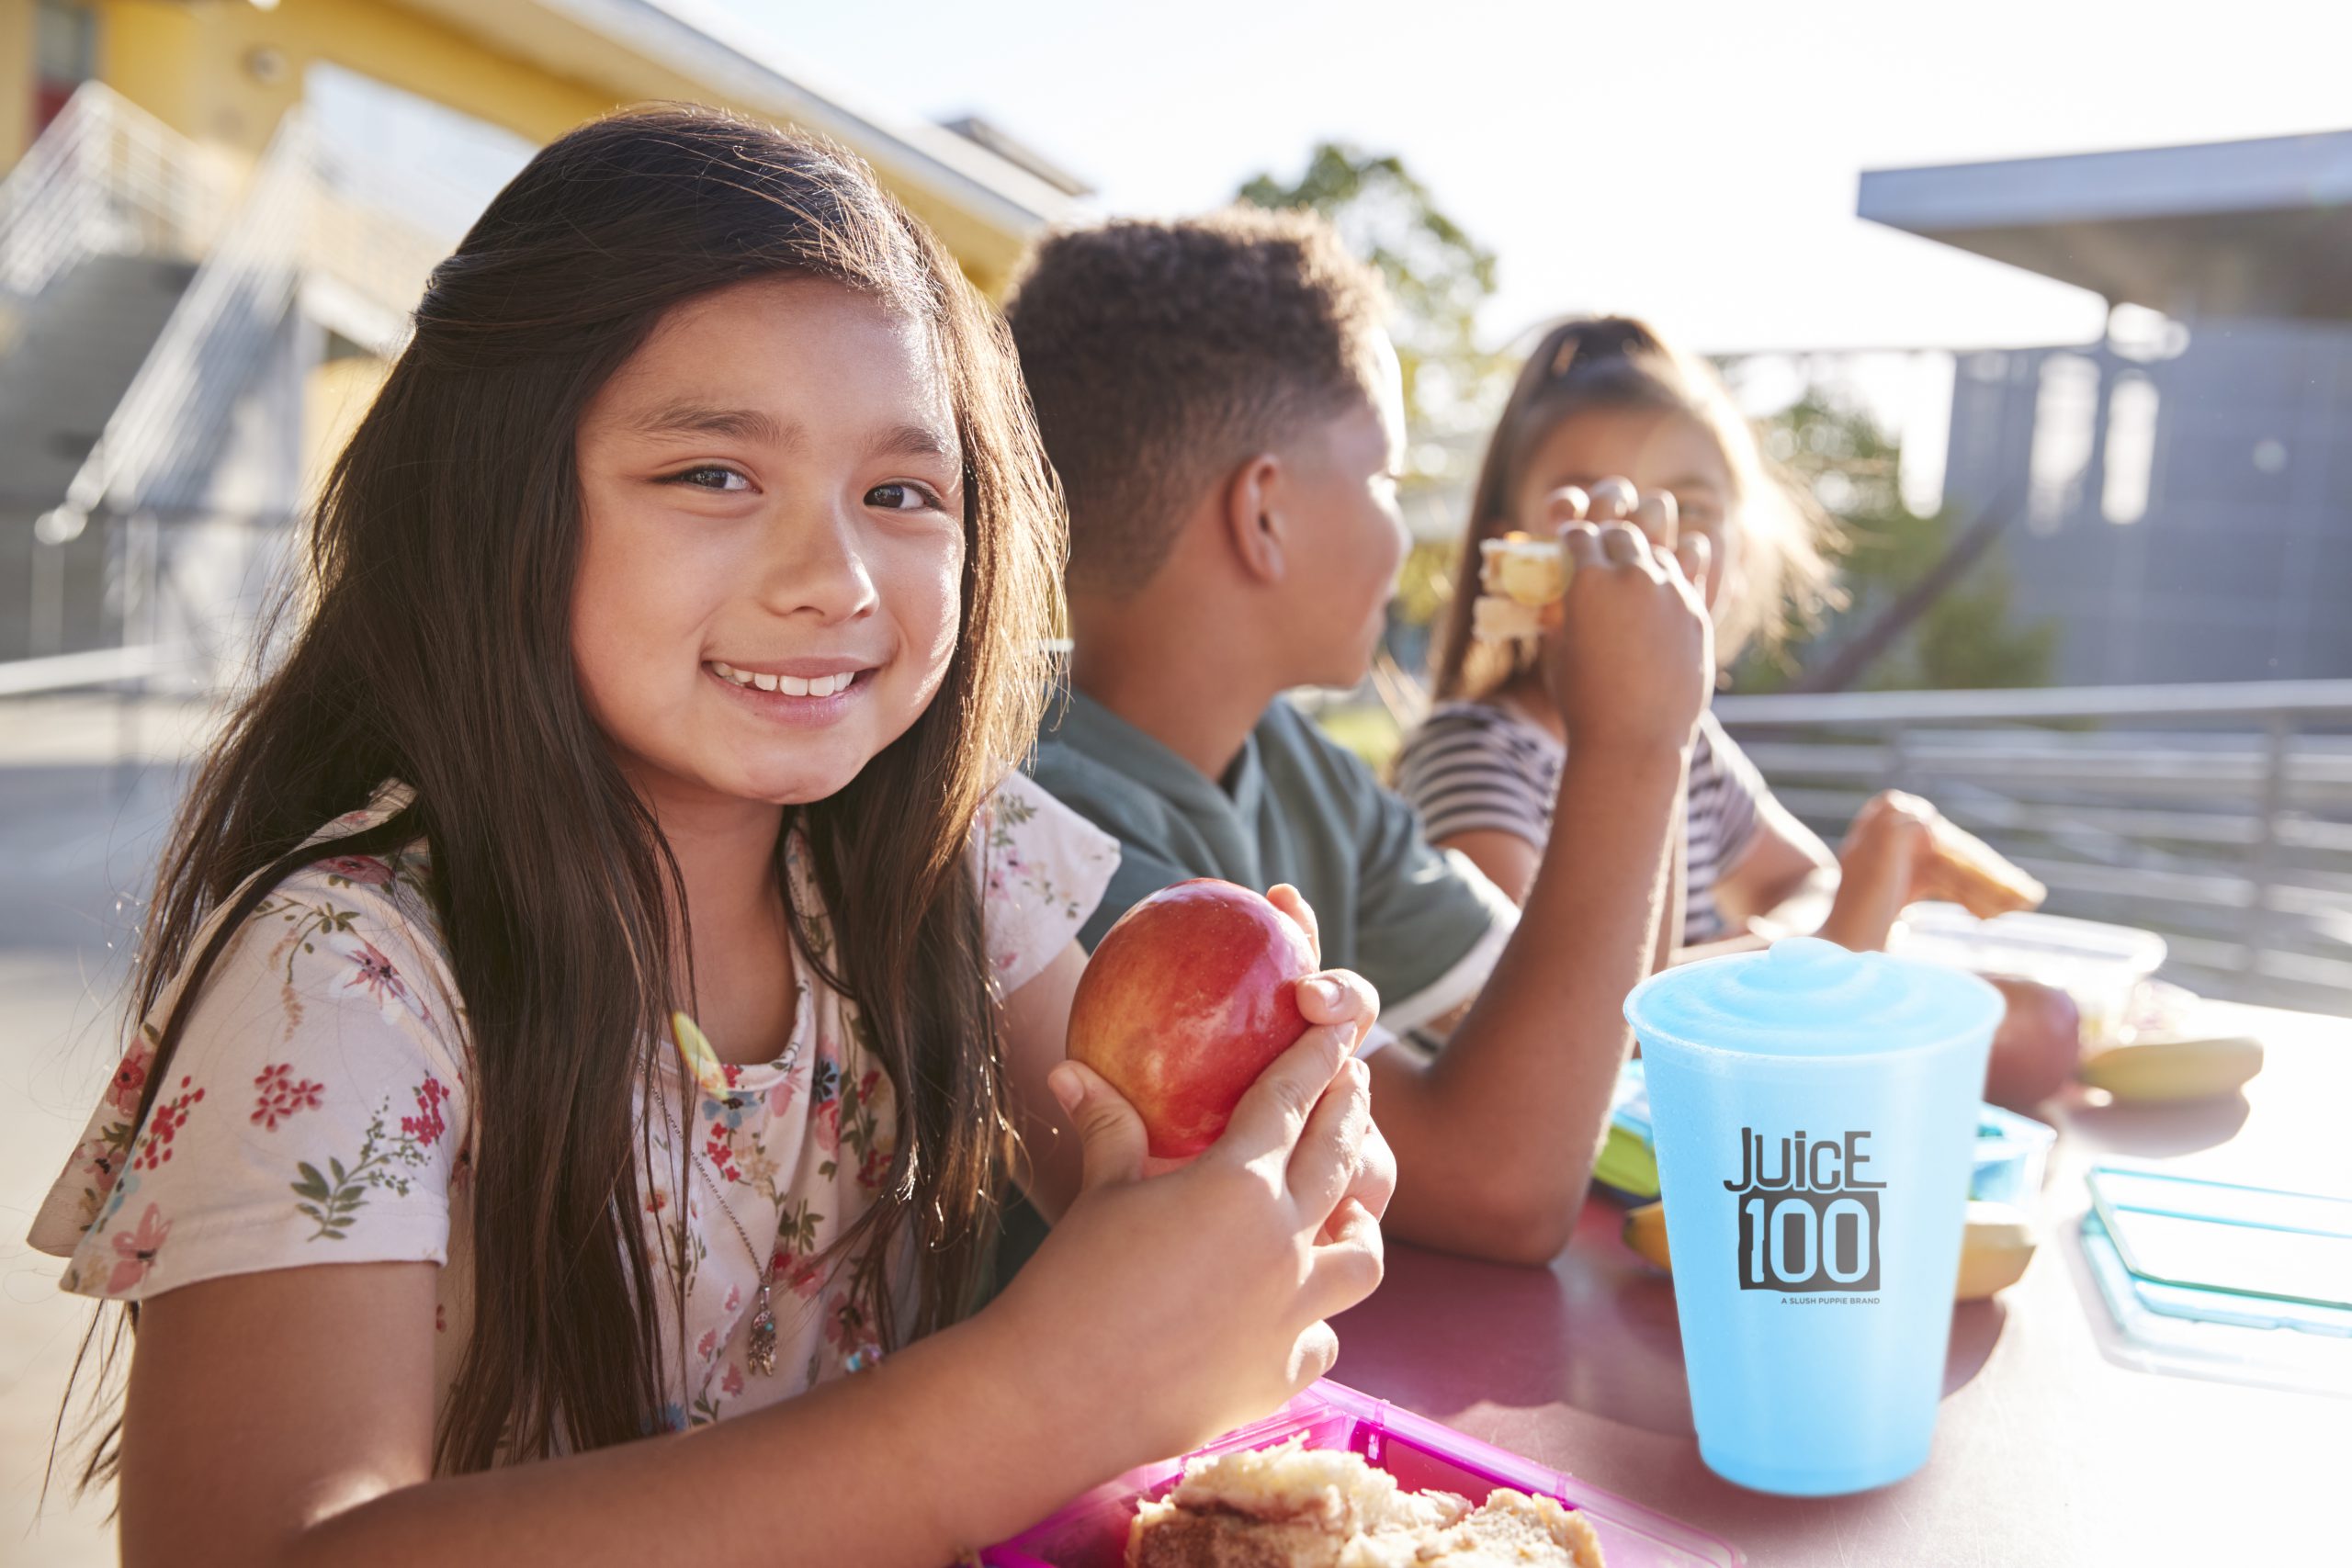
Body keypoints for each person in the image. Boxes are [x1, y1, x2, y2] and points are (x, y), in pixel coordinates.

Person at [29, 108, 1391, 1567]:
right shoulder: (346, 979)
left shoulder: (950, 861)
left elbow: (1135, 1182)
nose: (836, 574)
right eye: (714, 475)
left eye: (902, 493)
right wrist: (1021, 1400)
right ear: (496, 498)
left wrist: (1264, 1151)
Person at [1004, 211, 1713, 1268]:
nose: (1404, 529)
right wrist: (1631, 743)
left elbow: (1592, 1045)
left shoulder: (1296, 766)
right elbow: (1503, 1182)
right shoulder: (1040, 820)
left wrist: (1640, 718)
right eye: (1385, 477)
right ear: (1265, 515)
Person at [1402, 315, 2020, 958]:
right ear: (1513, 551)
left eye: (1689, 511)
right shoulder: (1475, 756)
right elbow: (1542, 1019)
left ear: (1740, 547)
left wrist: (1776, 939)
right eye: (1591, 515)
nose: (1642, 547)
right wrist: (1819, 948)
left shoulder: (1692, 751)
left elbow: (1805, 879)